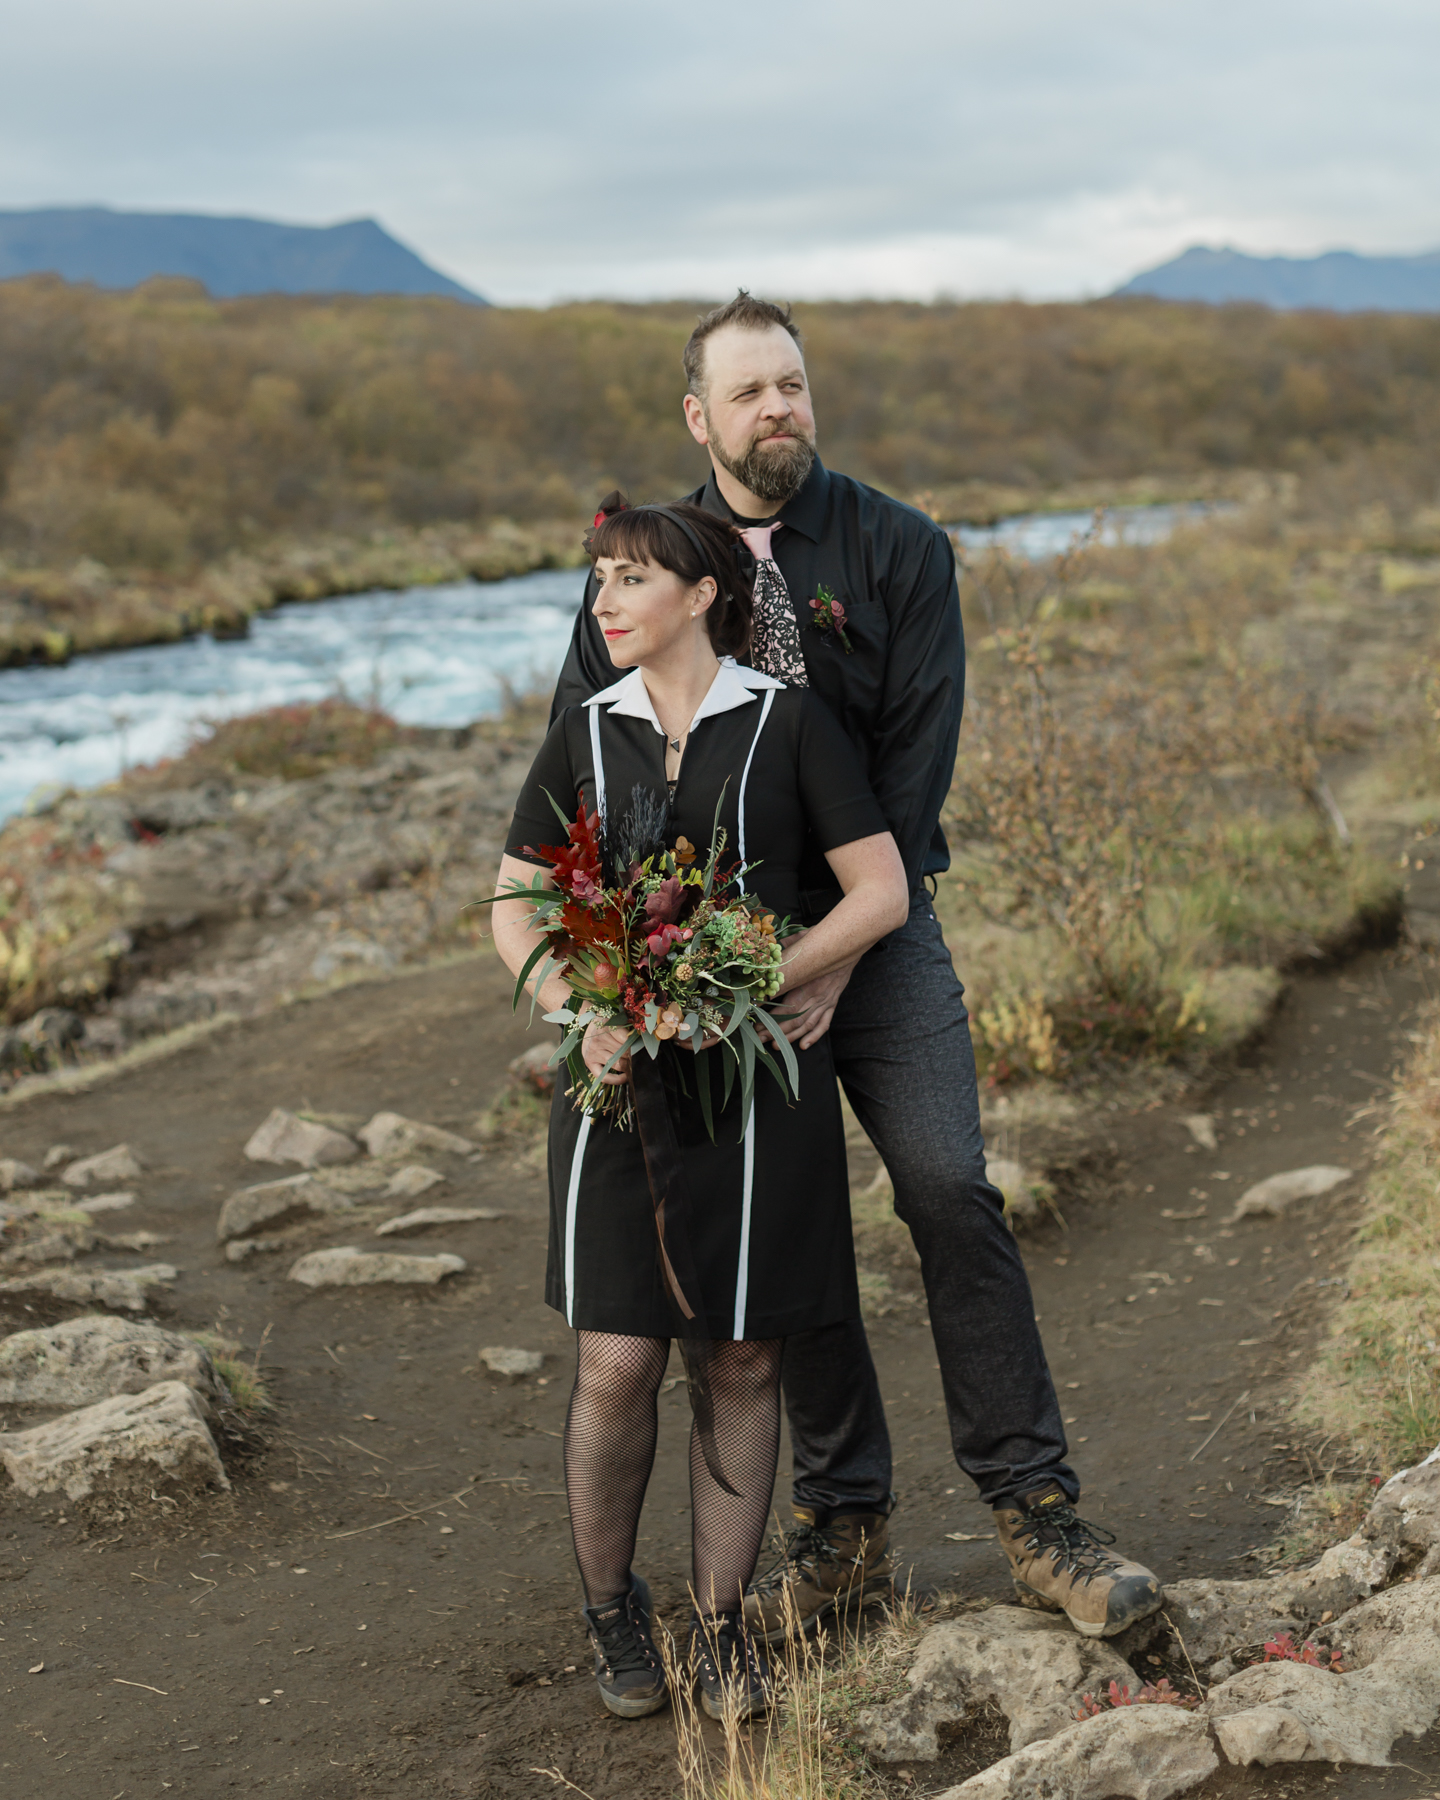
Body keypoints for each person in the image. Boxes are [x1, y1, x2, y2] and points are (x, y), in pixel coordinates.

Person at [549, 292, 1165, 1644]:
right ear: (698, 417)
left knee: (948, 1187)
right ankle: (846, 1530)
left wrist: (834, 947)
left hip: (874, 937)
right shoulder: (640, 559)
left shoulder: (896, 546)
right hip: (709, 970)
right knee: (786, 1240)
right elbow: (581, 761)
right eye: (751, 391)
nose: (781, 409)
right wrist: (620, 980)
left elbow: (914, 768)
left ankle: (1036, 1511)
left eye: (795, 385)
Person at [491, 495, 910, 1721]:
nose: (604, 602)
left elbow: (877, 891)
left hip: (751, 1084)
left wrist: (739, 982)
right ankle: (613, 1607)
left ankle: (721, 1627)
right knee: (617, 1363)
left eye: (628, 580)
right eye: (599, 582)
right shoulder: (584, 728)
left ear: (699, 592)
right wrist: (582, 1006)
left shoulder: (790, 725)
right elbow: (513, 902)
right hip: (614, 1083)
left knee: (739, 1355)